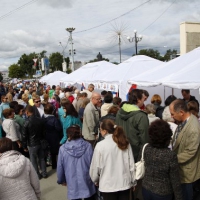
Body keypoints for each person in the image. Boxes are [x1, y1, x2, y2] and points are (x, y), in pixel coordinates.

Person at [90, 119, 136, 200]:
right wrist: (133, 181)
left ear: (104, 131)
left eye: (100, 130)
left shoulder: (100, 145)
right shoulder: (125, 142)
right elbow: (131, 164)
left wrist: (95, 179)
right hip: (124, 183)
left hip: (107, 185)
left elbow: (96, 166)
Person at [141, 120, 182, 200]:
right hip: (163, 193)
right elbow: (175, 180)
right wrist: (179, 197)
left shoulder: (145, 148)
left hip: (146, 188)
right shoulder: (170, 155)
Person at [169, 99, 200, 200]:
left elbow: (190, 152)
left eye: (172, 114)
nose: (171, 116)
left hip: (187, 173)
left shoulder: (193, 128)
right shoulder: (185, 121)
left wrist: (171, 159)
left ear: (181, 112)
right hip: (181, 170)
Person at [57, 125, 96, 200]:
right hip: (87, 179)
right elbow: (93, 163)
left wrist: (61, 180)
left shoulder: (63, 149)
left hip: (71, 180)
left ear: (68, 134)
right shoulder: (88, 146)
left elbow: (60, 166)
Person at [116, 89, 149, 161]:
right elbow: (144, 137)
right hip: (136, 152)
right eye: (143, 99)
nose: (144, 101)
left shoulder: (119, 112)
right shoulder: (141, 115)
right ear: (138, 99)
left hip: (120, 148)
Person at [22, 105, 47, 179]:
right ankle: (44, 173)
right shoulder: (40, 120)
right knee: (41, 158)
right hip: (40, 141)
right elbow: (44, 131)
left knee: (33, 160)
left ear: (27, 112)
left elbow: (24, 136)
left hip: (32, 144)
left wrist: (24, 146)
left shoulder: (26, 122)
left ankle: (37, 174)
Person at [44, 103, 62, 169]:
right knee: (53, 152)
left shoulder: (43, 118)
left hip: (46, 136)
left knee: (48, 150)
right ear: (52, 111)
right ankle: (54, 164)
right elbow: (58, 128)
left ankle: (47, 163)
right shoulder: (54, 119)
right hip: (54, 137)